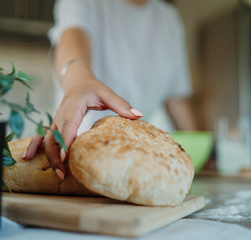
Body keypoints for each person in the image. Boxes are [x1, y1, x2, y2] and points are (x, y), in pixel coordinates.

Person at [24, 0, 197, 180]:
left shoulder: (168, 18)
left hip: (136, 160)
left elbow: (176, 99)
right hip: (75, 151)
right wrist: (79, 81)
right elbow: (74, 36)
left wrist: (203, 152)